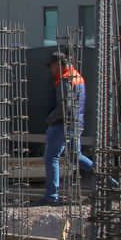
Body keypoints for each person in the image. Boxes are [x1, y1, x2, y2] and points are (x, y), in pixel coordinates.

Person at [43, 51, 94, 204]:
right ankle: (110, 182)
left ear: (59, 65)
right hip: (76, 123)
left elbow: (66, 106)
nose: (51, 70)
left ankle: (52, 197)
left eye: (52, 66)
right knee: (75, 156)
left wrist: (50, 119)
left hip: (63, 125)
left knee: (51, 158)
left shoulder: (65, 79)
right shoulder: (77, 76)